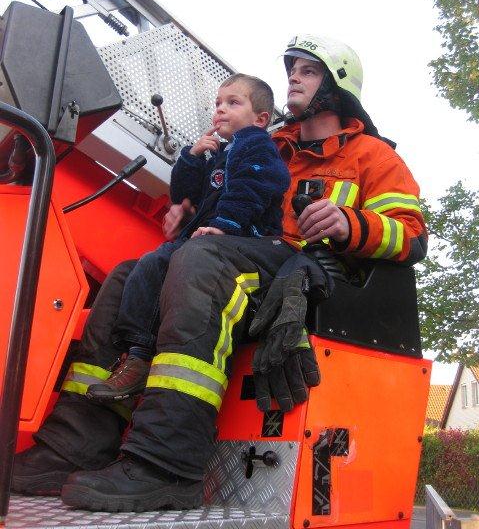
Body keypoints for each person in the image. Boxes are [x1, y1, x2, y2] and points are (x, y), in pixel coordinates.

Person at [12, 35, 427, 513]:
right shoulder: (268, 145)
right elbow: (223, 199)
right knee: (128, 277)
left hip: (298, 274)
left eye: (309, 71)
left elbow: (412, 236)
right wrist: (187, 212)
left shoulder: (374, 156)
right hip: (243, 255)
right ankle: (73, 448)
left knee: (203, 261)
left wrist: (348, 223)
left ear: (339, 85)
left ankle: (166, 466)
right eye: (291, 70)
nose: (293, 78)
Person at [84, 73, 290, 402]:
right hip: (206, 236)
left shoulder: (256, 145)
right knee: (142, 266)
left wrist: (225, 226)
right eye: (218, 103)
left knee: (158, 262)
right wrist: (191, 158)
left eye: (233, 103)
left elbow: (250, 190)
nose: (220, 109)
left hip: (244, 239)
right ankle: (131, 355)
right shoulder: (222, 153)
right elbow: (184, 195)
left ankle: (140, 355)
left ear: (260, 119)